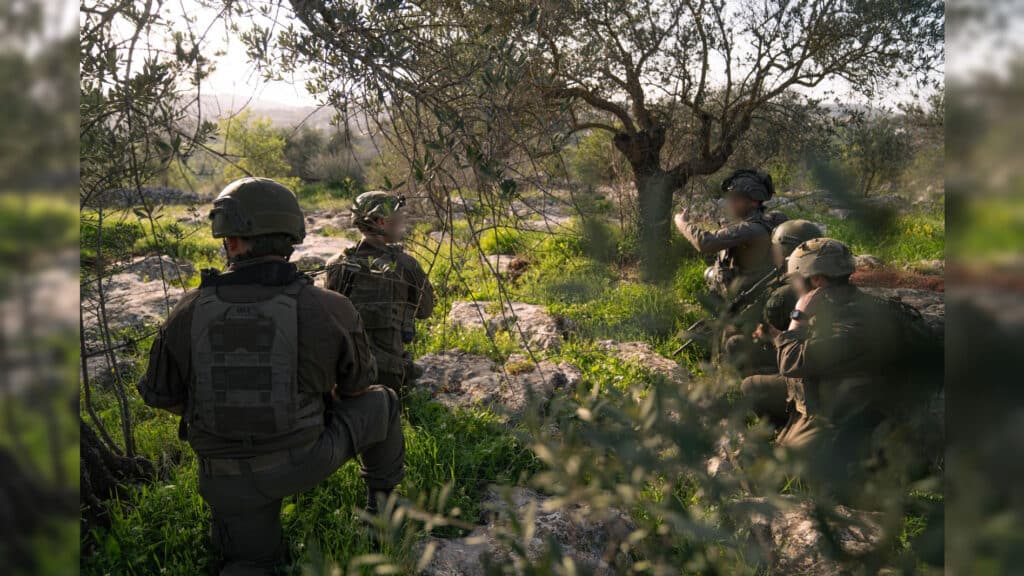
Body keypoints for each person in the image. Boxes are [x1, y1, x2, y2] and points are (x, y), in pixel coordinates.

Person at [137, 177, 405, 576]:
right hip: (304, 459)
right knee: (382, 401)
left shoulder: (188, 309)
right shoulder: (331, 307)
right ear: (292, 238)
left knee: (250, 564)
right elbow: (358, 388)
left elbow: (161, 395)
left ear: (230, 242)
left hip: (225, 479)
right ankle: (382, 517)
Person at [756, 238, 914, 470]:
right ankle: (791, 427)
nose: (794, 286)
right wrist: (778, 335)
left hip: (838, 413)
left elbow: (790, 363)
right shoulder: (838, 302)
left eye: (797, 279)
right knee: (752, 387)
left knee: (781, 472)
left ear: (818, 280)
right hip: (817, 390)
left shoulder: (850, 324)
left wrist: (798, 315)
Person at [326, 191, 435, 394]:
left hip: (346, 376)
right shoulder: (406, 264)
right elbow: (425, 310)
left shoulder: (335, 264)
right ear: (382, 222)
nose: (401, 223)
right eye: (397, 218)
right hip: (391, 377)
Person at [739, 220, 824, 426]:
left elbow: (778, 341)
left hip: (810, 372)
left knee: (743, 359)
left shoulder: (788, 293)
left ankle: (781, 424)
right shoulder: (827, 284)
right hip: (813, 361)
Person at [674, 168, 782, 299]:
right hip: (756, 287)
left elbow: (704, 242)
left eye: (736, 198)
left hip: (747, 296)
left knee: (710, 274)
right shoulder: (768, 221)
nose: (730, 202)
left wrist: (681, 222)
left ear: (754, 201)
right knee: (710, 271)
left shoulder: (750, 229)